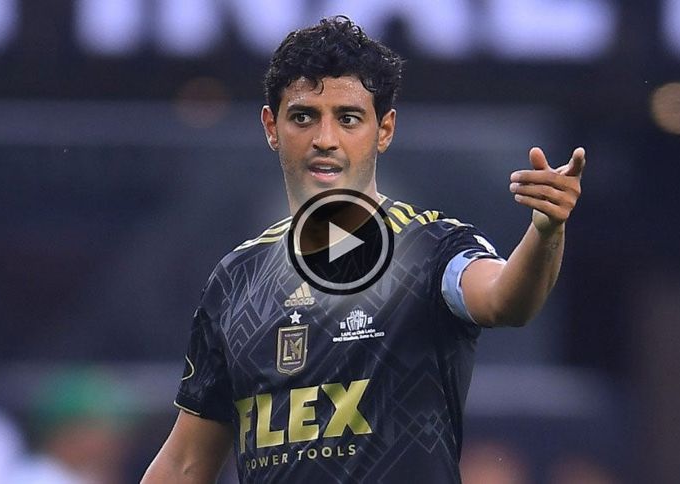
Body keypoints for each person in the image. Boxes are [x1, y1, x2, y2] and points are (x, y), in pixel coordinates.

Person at [142, 16, 585, 484]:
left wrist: (546, 231)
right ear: (271, 127)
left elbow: (504, 300)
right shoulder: (236, 279)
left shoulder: (431, 248)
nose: (325, 139)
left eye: (348, 118)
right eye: (303, 117)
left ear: (384, 129)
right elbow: (185, 463)